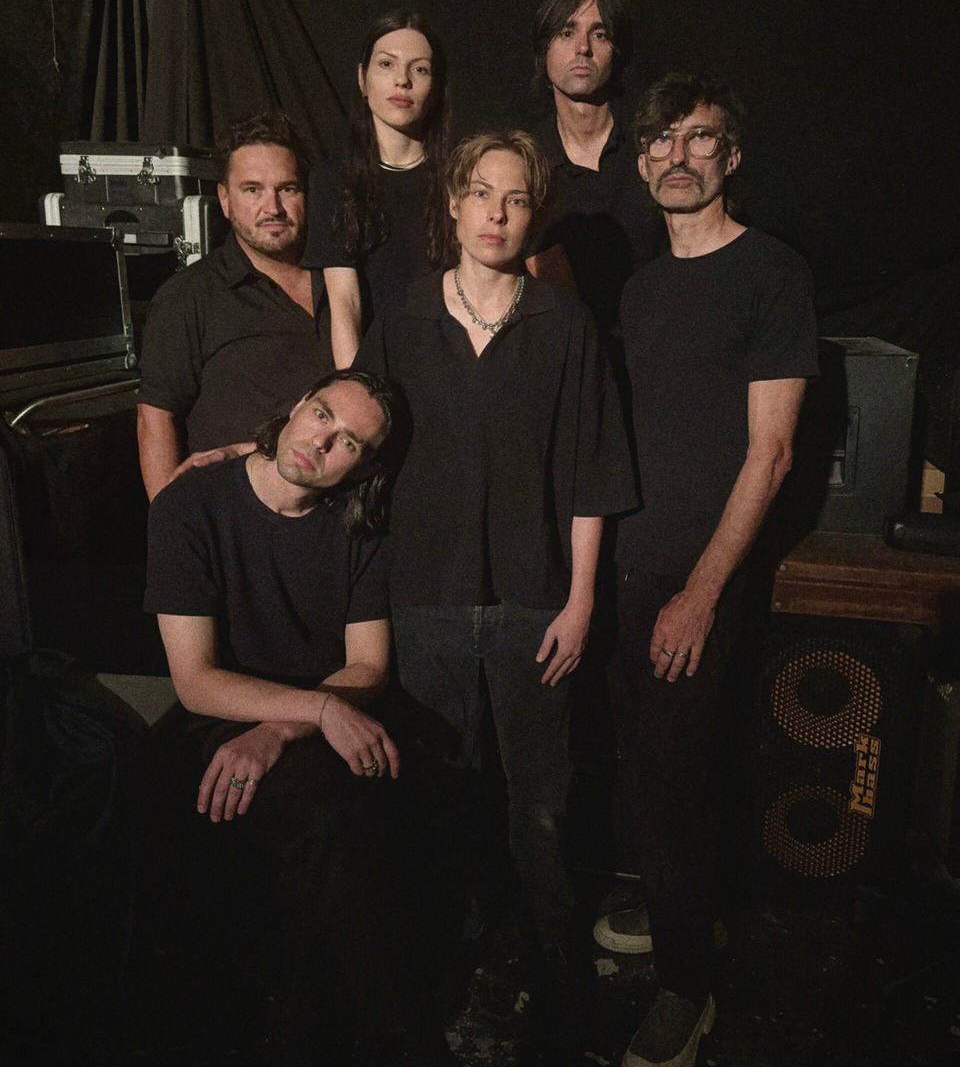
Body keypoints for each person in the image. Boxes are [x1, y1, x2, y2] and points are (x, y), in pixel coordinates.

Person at [355, 130, 635, 1054]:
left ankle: (555, 979)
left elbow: (593, 475)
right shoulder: (402, 318)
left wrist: (581, 602)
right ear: (452, 203)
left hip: (533, 604)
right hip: (423, 600)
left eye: (515, 199)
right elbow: (360, 455)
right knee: (440, 802)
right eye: (481, 194)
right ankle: (445, 966)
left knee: (539, 808)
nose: (496, 214)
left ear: (534, 212)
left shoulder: (565, 326)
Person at [607, 74, 819, 1067]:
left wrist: (701, 592)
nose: (676, 155)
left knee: (673, 782)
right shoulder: (642, 289)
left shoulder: (771, 271)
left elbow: (770, 454)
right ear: (641, 159)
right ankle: (682, 914)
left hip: (701, 576)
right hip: (628, 564)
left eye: (699, 138)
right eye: (660, 139)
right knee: (652, 771)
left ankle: (685, 991)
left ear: (731, 158)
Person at [144, 369, 407, 1062]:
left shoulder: (359, 522)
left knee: (331, 810)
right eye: (321, 415)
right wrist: (312, 709)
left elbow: (368, 667)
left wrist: (284, 728)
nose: (321, 442)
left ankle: (361, 1031)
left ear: (363, 466)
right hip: (228, 711)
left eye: (349, 441)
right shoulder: (190, 504)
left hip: (322, 713)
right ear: (294, 407)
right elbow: (195, 681)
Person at [137, 112, 333, 501]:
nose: (273, 207)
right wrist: (170, 524)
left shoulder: (343, 280)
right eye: (252, 190)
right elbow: (155, 419)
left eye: (287, 188)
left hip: (340, 509)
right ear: (225, 200)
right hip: (240, 514)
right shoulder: (189, 296)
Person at [303, 10, 452, 368]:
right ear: (362, 78)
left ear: (435, 87)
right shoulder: (334, 180)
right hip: (376, 370)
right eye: (387, 64)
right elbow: (345, 306)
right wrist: (355, 388)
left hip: (453, 365)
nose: (402, 80)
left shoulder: (460, 176)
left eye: (419, 69)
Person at [526, 0, 662, 338]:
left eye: (599, 34)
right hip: (569, 350)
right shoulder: (527, 164)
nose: (583, 48)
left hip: (661, 342)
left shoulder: (655, 147)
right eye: (567, 33)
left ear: (616, 51)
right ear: (544, 49)